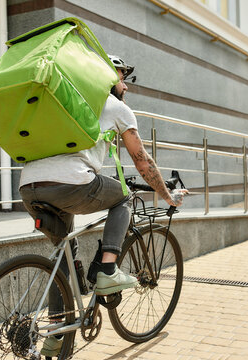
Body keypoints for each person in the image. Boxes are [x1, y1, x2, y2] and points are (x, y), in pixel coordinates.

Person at [19, 55, 188, 356]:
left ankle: (56, 333)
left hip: (29, 187)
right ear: (108, 78)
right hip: (69, 183)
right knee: (123, 196)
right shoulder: (116, 107)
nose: (125, 85)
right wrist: (167, 196)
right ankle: (108, 268)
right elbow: (142, 161)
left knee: (63, 255)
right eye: (122, 77)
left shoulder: (66, 100)